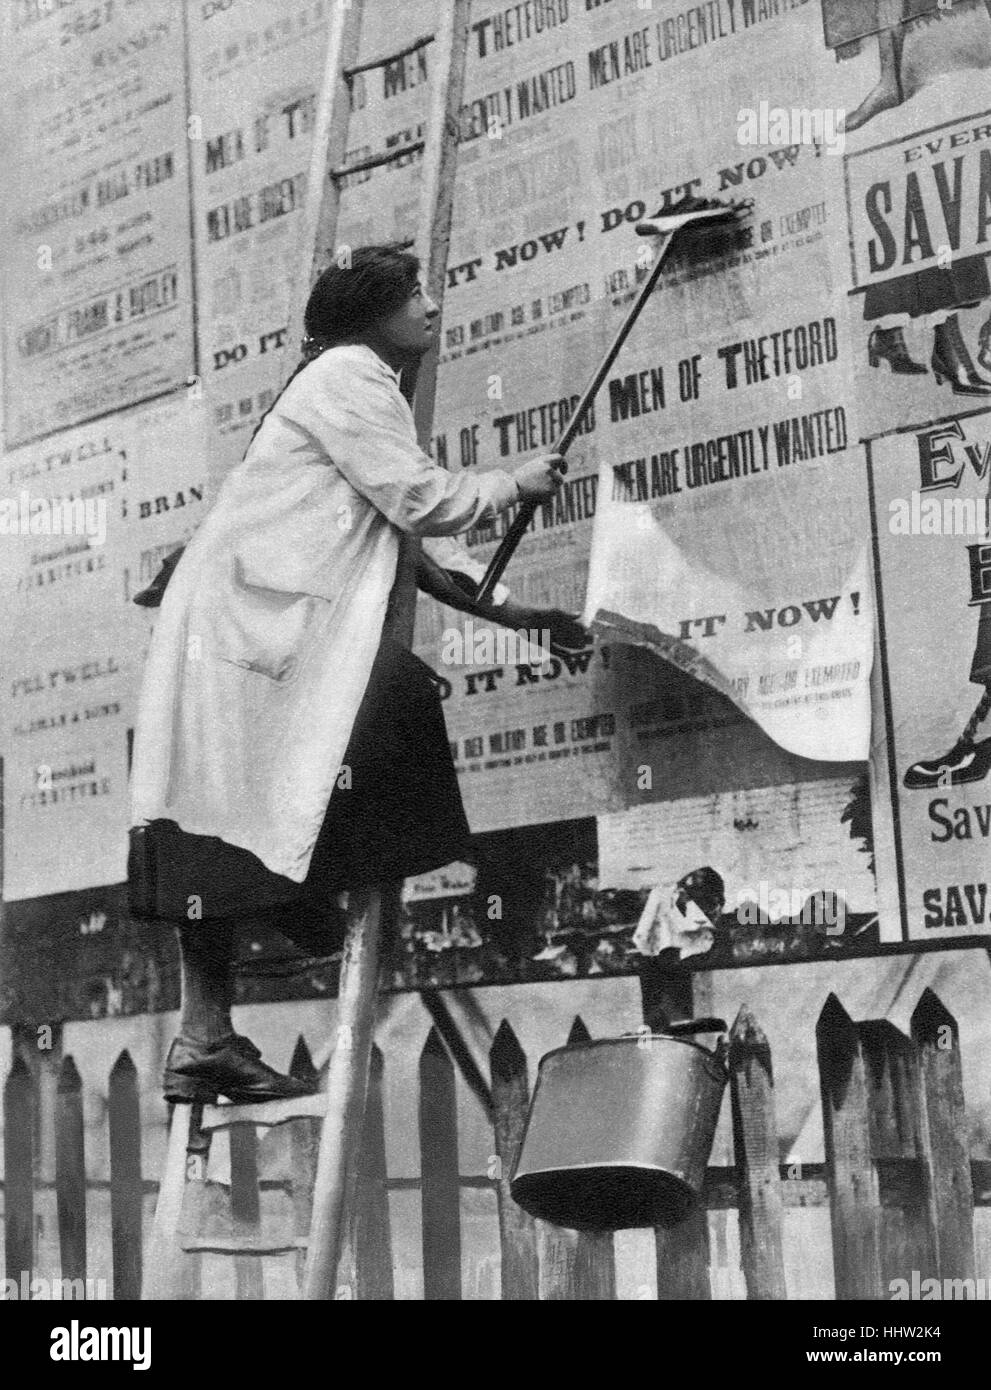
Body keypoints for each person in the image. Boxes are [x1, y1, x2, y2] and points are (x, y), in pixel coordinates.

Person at [128, 243, 576, 1104]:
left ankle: (210, 1031)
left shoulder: (349, 385)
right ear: (374, 310)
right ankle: (297, 911)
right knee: (388, 709)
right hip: (246, 623)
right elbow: (421, 503)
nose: (433, 305)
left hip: (243, 619)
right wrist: (512, 483)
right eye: (416, 292)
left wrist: (522, 617)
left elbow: (416, 542)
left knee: (216, 805)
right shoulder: (351, 373)